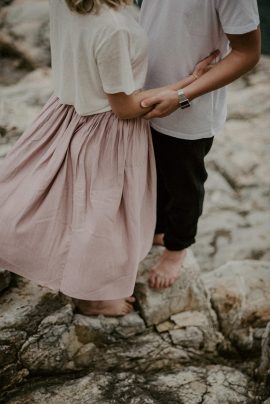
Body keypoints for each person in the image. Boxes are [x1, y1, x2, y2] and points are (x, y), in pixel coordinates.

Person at [0, 0, 216, 316]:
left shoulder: (64, 3)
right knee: (105, 218)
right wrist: (187, 83)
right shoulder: (114, 27)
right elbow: (124, 107)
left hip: (65, 112)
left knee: (57, 198)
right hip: (105, 130)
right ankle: (93, 296)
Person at [139, 0, 261, 289]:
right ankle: (157, 232)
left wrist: (182, 95)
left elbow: (248, 53)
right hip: (145, 96)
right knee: (153, 177)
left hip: (187, 110)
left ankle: (176, 248)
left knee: (184, 186)